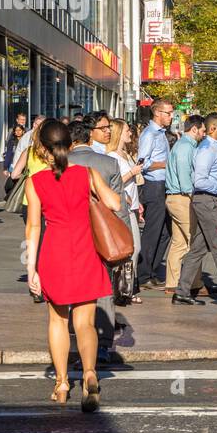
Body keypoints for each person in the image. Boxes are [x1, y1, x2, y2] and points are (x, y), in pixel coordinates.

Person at [25, 119, 123, 411]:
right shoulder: (87, 173)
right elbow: (116, 204)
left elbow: (32, 228)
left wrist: (32, 270)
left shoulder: (36, 182)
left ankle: (62, 383)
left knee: (58, 320)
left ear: (42, 149)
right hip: (85, 250)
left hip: (54, 252)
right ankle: (90, 374)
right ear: (71, 143)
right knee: (86, 322)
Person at [66, 116, 130, 365]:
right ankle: (102, 343)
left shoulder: (62, 164)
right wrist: (123, 238)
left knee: (74, 287)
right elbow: (119, 206)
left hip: (71, 233)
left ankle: (77, 337)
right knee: (103, 287)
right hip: (101, 233)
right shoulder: (108, 163)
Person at [174, 112, 217, 305]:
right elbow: (199, 181)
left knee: (198, 249)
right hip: (207, 201)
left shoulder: (215, 148)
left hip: (212, 200)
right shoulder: (207, 150)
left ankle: (182, 291)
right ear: (212, 129)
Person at [164, 114, 205, 298]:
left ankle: (173, 283)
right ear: (194, 129)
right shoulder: (186, 147)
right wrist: (191, 194)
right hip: (182, 198)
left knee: (179, 242)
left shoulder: (184, 145)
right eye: (203, 130)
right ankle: (192, 284)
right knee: (193, 242)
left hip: (175, 197)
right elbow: (184, 173)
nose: (204, 134)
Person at [136, 98, 174, 288]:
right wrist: (165, 164)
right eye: (168, 113)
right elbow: (142, 163)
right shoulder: (150, 134)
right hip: (154, 185)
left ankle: (151, 269)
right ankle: (143, 274)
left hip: (163, 184)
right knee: (153, 230)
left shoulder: (161, 134)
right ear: (157, 113)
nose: (171, 116)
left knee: (166, 231)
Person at [106, 118, 144, 305]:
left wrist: (138, 203)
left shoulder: (125, 154)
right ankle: (123, 290)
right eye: (128, 130)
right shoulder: (112, 156)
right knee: (132, 248)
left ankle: (125, 289)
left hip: (133, 205)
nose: (131, 133)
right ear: (119, 133)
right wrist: (134, 171)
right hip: (123, 207)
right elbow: (116, 182)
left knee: (132, 249)